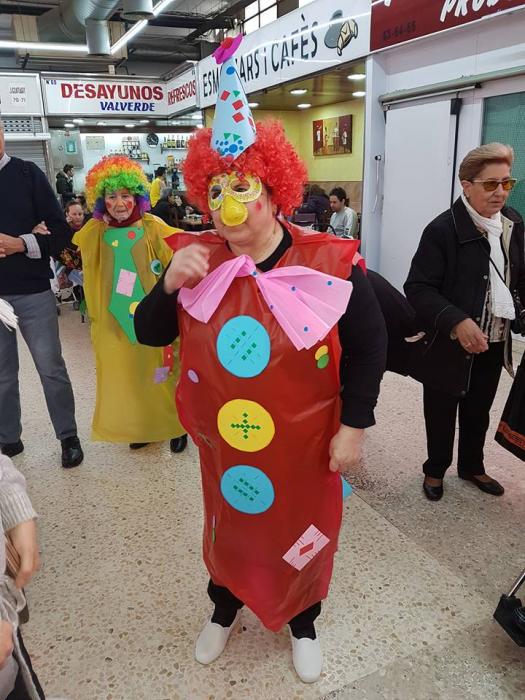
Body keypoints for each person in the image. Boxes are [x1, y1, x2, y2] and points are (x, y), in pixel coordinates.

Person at [134, 38, 386, 684]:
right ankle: (224, 607)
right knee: (232, 525)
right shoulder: (195, 257)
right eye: (216, 188)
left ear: (275, 193)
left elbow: (371, 344)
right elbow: (147, 332)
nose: (226, 202)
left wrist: (354, 427)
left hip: (306, 442)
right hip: (227, 444)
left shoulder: (328, 261)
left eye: (241, 186)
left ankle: (303, 620)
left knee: (301, 526)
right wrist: (168, 286)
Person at [404, 143, 525, 501]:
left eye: (507, 183)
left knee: (478, 410)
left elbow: (519, 280)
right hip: (448, 344)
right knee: (440, 410)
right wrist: (456, 321)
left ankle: (472, 466)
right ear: (466, 185)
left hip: (494, 340)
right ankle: (435, 469)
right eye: (490, 184)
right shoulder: (442, 230)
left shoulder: (513, 224)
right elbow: (418, 287)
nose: (500, 192)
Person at [73, 155, 187, 452]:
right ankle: (143, 426)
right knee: (134, 375)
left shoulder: (153, 227)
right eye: (111, 196)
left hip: (154, 318)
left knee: (163, 372)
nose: (119, 203)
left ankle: (177, 425)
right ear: (102, 200)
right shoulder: (96, 231)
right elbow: (77, 255)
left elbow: (179, 260)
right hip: (118, 319)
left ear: (137, 196)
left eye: (125, 195)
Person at [0, 120, 83, 469]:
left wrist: (20, 243)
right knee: (2, 374)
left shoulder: (27, 174)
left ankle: (68, 436)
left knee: (50, 367)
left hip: (33, 289)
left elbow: (60, 231)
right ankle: (8, 438)